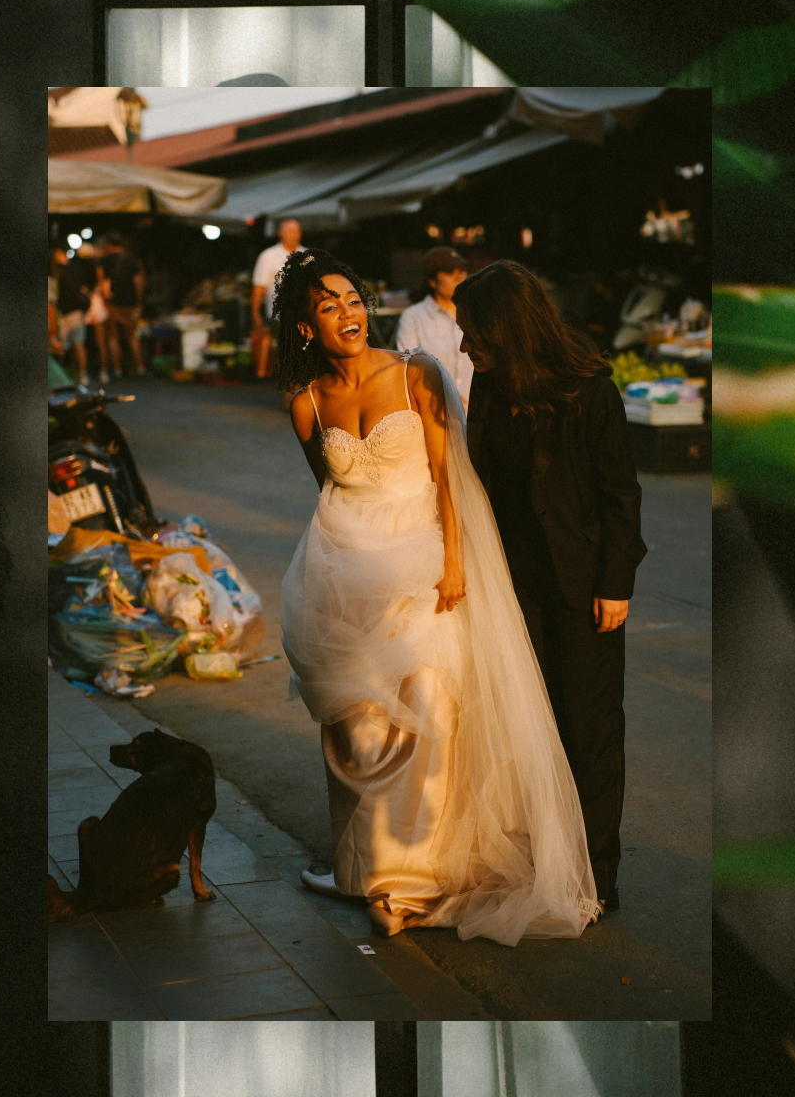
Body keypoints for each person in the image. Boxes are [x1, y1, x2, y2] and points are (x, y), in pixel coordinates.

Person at [272, 247, 597, 945]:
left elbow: (453, 475)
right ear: (306, 328)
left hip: (424, 561)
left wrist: (454, 559)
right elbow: (326, 488)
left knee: (428, 719)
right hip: (343, 569)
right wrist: (337, 565)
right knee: (357, 730)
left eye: (352, 299)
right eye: (327, 306)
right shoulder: (304, 403)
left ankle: (413, 883)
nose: (347, 314)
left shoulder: (417, 372)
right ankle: (367, 870)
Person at [458, 261, 645, 919]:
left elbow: (621, 495)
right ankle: (549, 859)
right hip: (513, 583)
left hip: (582, 581)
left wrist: (615, 583)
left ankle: (597, 877)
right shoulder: (487, 384)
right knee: (531, 729)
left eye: (471, 332)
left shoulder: (590, 389)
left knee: (589, 729)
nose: (462, 347)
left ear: (505, 328)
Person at [395, 245, 474, 405]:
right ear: (432, 280)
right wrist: (448, 397)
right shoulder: (413, 317)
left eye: (462, 270)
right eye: (450, 272)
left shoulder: (476, 312)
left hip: (476, 412)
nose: (459, 277)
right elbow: (407, 369)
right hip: (434, 410)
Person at [250, 217, 304, 378]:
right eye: (290, 231)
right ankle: (289, 396)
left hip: (305, 312)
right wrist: (255, 314)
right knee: (288, 353)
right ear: (280, 233)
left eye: (296, 231)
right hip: (280, 314)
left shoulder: (307, 255)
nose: (294, 235)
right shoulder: (268, 256)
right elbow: (259, 286)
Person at [99, 231, 147, 377]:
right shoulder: (132, 260)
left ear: (110, 245)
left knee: (113, 338)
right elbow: (139, 282)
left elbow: (103, 283)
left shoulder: (104, 261)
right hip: (130, 305)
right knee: (132, 336)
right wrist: (138, 301)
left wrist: (106, 300)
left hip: (113, 305)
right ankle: (140, 367)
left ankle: (117, 370)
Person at [54, 244, 93, 384]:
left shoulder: (58, 271)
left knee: (59, 346)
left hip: (65, 312)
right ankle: (82, 375)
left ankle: (58, 377)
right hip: (77, 310)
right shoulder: (76, 269)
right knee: (78, 343)